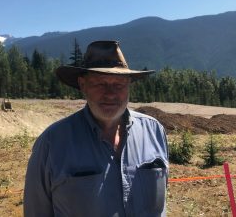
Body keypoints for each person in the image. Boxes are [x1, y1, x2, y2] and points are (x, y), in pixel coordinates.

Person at [24, 40, 169, 217]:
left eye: (119, 84)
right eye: (100, 83)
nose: (110, 93)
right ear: (83, 85)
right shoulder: (51, 144)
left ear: (129, 85)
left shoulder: (154, 132)